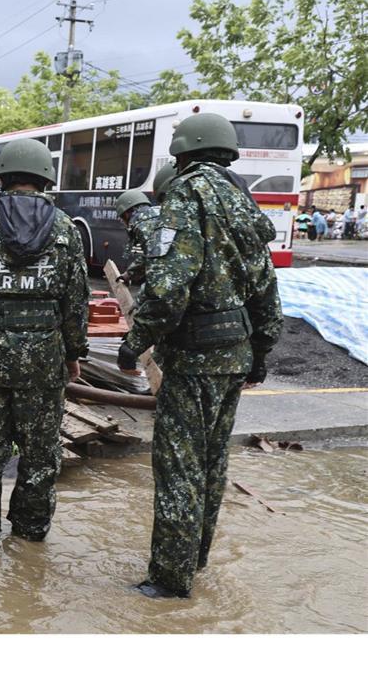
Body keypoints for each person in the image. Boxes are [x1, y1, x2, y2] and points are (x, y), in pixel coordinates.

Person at [117, 112, 282, 598]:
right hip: (235, 354)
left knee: (178, 466)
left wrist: (133, 344)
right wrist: (261, 350)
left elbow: (169, 288)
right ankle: (197, 558)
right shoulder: (240, 199)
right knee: (212, 463)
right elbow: (265, 286)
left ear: (183, 152)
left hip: (193, 358)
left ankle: (169, 580)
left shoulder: (187, 194)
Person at [0, 138, 89, 551]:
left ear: (2, 177)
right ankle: (29, 534)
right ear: (45, 178)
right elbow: (76, 301)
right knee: (40, 454)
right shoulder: (65, 228)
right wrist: (73, 353)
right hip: (44, 359)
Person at [114, 186, 160, 286]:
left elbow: (156, 262)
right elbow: (150, 255)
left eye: (121, 218)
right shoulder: (158, 213)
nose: (122, 222)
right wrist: (129, 274)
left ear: (126, 214)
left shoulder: (142, 226)